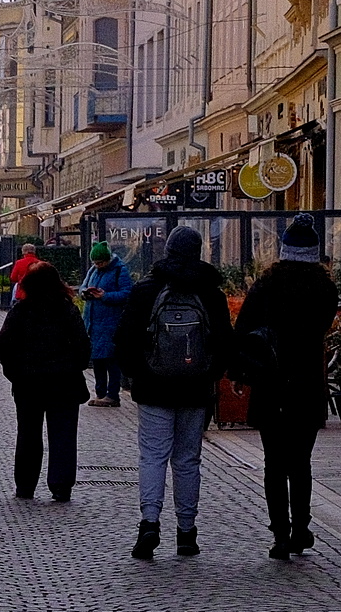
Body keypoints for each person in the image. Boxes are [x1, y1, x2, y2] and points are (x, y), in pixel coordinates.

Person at [119, 224, 232, 561]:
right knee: (187, 460)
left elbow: (125, 339)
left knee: (152, 456)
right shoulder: (211, 293)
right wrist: (211, 373)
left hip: (154, 388)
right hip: (196, 389)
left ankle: (149, 524)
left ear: (166, 251)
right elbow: (225, 342)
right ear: (198, 253)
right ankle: (186, 532)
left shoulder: (146, 290)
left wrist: (135, 376)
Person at [234, 213, 341, 560]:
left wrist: (239, 373)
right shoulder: (324, 288)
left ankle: (279, 533)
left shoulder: (265, 285)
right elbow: (322, 328)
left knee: (274, 463)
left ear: (284, 250)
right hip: (307, 382)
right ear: (314, 252)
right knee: (301, 462)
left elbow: (245, 330)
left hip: (270, 381)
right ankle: (301, 528)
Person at [0, 261, 91, 502]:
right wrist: (73, 367)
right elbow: (83, 345)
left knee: (28, 434)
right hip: (64, 382)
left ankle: (25, 485)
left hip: (28, 383)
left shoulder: (21, 311)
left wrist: (15, 373)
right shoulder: (67, 310)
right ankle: (61, 486)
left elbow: (4, 345)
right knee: (64, 435)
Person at [79, 240, 134, 405]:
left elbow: (127, 293)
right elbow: (83, 286)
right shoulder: (93, 270)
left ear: (108, 259)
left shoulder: (120, 270)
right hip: (93, 322)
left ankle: (112, 394)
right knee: (97, 359)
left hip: (111, 322)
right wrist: (85, 293)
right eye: (95, 263)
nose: (98, 265)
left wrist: (105, 296)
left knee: (111, 359)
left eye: (100, 262)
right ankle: (100, 393)